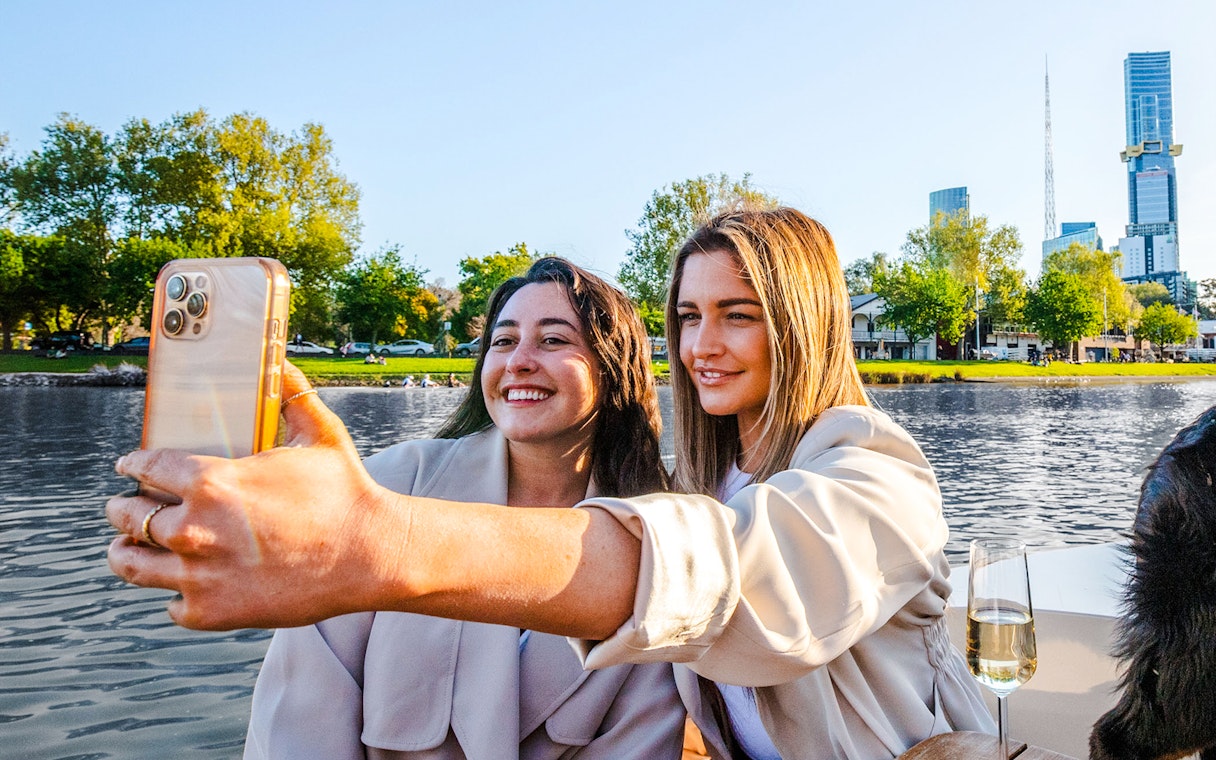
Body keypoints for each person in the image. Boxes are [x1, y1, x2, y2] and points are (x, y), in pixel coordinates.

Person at [107, 208, 994, 758]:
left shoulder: (878, 476)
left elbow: (736, 574)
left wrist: (368, 545)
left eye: (738, 316)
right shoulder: (696, 486)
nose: (701, 346)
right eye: (687, 316)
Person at [245, 257, 684, 758]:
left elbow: (641, 737)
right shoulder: (389, 488)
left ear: (614, 369)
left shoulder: (657, 546)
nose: (517, 360)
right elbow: (299, 714)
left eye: (553, 340)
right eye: (502, 341)